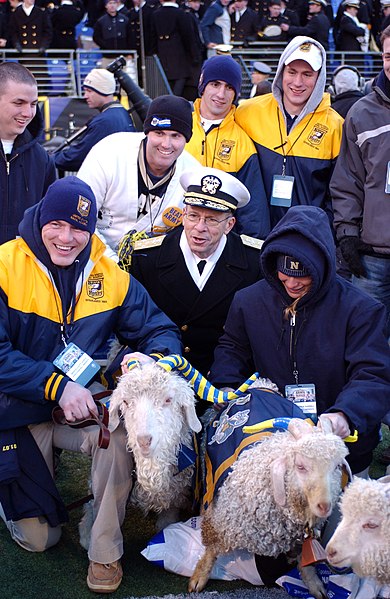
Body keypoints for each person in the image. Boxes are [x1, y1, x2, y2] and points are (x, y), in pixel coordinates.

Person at [0, 176, 182, 594]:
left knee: (116, 434)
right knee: (38, 539)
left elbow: (162, 331)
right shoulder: (5, 265)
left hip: (78, 409)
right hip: (14, 410)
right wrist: (57, 386)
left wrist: (144, 362)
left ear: (91, 229)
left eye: (79, 229)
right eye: (58, 226)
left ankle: (105, 552)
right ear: (42, 219)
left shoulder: (110, 273)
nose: (67, 238)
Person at [209, 205, 390, 477]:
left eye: (303, 274)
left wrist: (344, 415)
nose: (292, 283)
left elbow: (373, 375)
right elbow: (233, 348)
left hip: (340, 446)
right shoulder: (248, 301)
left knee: (339, 517)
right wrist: (225, 383)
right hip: (271, 437)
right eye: (284, 273)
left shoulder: (361, 309)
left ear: (323, 266)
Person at [122, 167, 262, 388]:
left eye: (212, 220)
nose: (199, 228)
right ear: (183, 214)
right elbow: (133, 326)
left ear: (229, 224)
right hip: (163, 378)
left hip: (224, 381)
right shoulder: (147, 257)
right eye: (193, 216)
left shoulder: (254, 262)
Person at [235, 36, 343, 229]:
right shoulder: (247, 113)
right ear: (281, 72)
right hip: (251, 234)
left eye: (307, 74)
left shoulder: (336, 126)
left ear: (319, 77)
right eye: (292, 72)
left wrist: (321, 230)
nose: (297, 82)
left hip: (305, 239)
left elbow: (337, 195)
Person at [77, 94, 200, 257]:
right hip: (96, 257)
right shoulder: (108, 152)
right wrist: (112, 262)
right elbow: (80, 217)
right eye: (159, 133)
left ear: (187, 139)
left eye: (175, 135)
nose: (166, 144)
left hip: (155, 264)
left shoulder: (194, 174)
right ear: (147, 132)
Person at [330, 24, 390, 344]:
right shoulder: (360, 113)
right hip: (373, 257)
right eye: (388, 55)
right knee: (366, 340)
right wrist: (348, 234)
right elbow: (347, 181)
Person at [185, 55, 270, 239]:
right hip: (176, 240)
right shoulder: (180, 130)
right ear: (203, 85)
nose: (221, 94)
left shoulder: (243, 143)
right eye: (215, 84)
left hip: (222, 247)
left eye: (229, 87)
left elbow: (253, 216)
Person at [0, 62, 56, 245]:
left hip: (23, 268)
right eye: (19, 103)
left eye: (33, 104)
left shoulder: (43, 160)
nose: (28, 112)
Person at [54, 68, 135, 173]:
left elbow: (78, 158)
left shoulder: (105, 121)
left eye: (89, 91)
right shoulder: (121, 112)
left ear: (103, 90)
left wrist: (50, 159)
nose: (85, 96)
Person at [150, 0, 200, 98]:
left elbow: (152, 37)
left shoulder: (155, 15)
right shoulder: (182, 14)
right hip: (179, 58)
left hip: (162, 55)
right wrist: (195, 56)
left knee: (164, 85)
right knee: (178, 89)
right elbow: (188, 37)